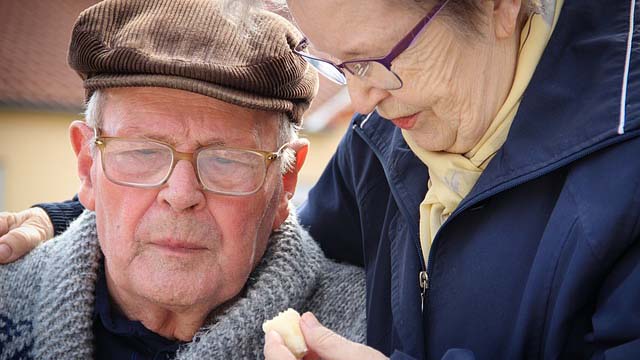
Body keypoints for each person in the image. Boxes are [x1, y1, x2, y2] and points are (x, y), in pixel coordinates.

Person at [2, 0, 639, 359]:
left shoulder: (625, 173)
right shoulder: (392, 127)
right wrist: (67, 229)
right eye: (336, 65)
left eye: (380, 58)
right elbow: (260, 233)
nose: (359, 103)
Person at [0, 0, 367, 359]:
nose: (181, 195)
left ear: (285, 181)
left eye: (225, 159)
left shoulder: (369, 330)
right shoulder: (7, 295)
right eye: (143, 152)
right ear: (87, 165)